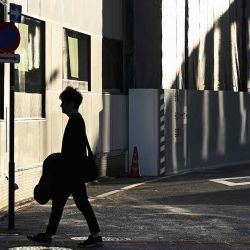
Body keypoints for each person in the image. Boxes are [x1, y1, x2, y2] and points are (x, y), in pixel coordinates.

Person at [27, 86, 102, 248]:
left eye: (63, 103)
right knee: (64, 204)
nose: (61, 106)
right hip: (72, 173)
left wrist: (60, 162)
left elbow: (74, 152)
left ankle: (94, 235)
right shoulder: (75, 120)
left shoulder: (76, 121)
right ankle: (50, 234)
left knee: (76, 204)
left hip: (71, 174)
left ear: (71, 104)